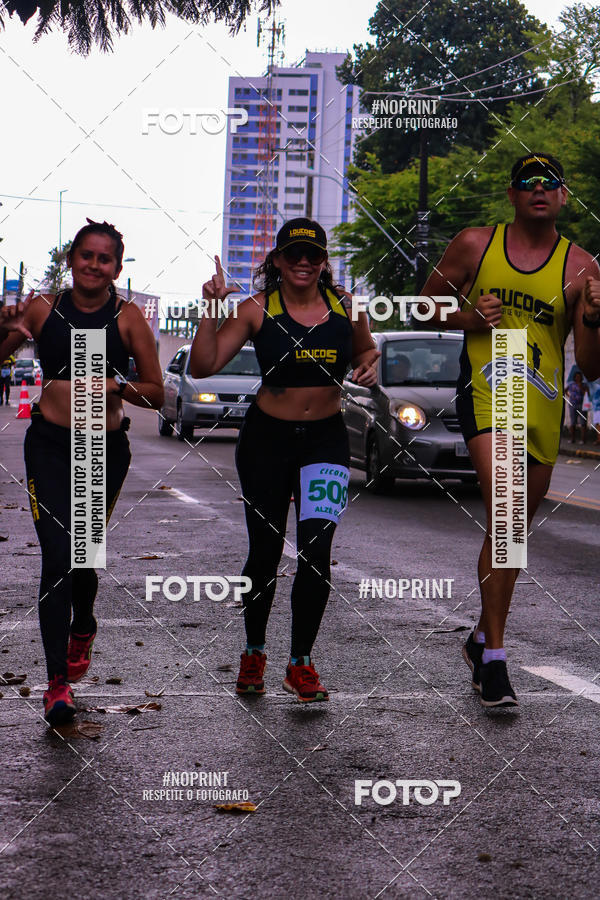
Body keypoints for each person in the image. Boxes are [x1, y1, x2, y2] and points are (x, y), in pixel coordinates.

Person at [420, 153, 600, 708]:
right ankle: (496, 660)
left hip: (541, 401)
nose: (539, 189)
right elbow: (423, 308)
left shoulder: (581, 267)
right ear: (513, 194)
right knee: (506, 516)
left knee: (513, 532)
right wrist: (468, 319)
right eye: (528, 182)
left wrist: (595, 319)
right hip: (490, 384)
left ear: (563, 195)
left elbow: (592, 367)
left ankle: (480, 638)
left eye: (550, 182)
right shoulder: (476, 244)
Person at [189, 218, 379, 702]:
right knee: (265, 551)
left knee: (316, 553)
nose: (303, 262)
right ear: (277, 260)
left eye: (313, 255)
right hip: (266, 441)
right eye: (294, 254)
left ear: (323, 262)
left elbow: (367, 351)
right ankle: (254, 652)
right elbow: (203, 365)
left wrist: (369, 365)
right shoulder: (257, 309)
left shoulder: (347, 307)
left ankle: (300, 663)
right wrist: (210, 307)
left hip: (326, 442)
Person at [0, 219, 164, 726]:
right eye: (86, 255)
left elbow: (156, 393)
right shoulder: (42, 308)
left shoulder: (127, 318)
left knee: (82, 556)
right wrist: (7, 328)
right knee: (57, 555)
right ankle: (57, 684)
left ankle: (84, 623)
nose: (94, 265)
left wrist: (116, 386)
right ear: (71, 259)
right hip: (49, 444)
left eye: (104, 258)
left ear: (117, 266)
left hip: (102, 450)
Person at [565, 371, 588, 443]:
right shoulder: (571, 384)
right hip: (573, 405)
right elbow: (565, 390)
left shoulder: (584, 385)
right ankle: (572, 439)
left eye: (579, 377)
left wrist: (580, 386)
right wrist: (569, 396)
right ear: (574, 377)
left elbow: (586, 393)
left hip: (582, 405)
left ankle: (583, 439)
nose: (578, 378)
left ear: (581, 378)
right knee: (573, 422)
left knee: (583, 422)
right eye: (576, 376)